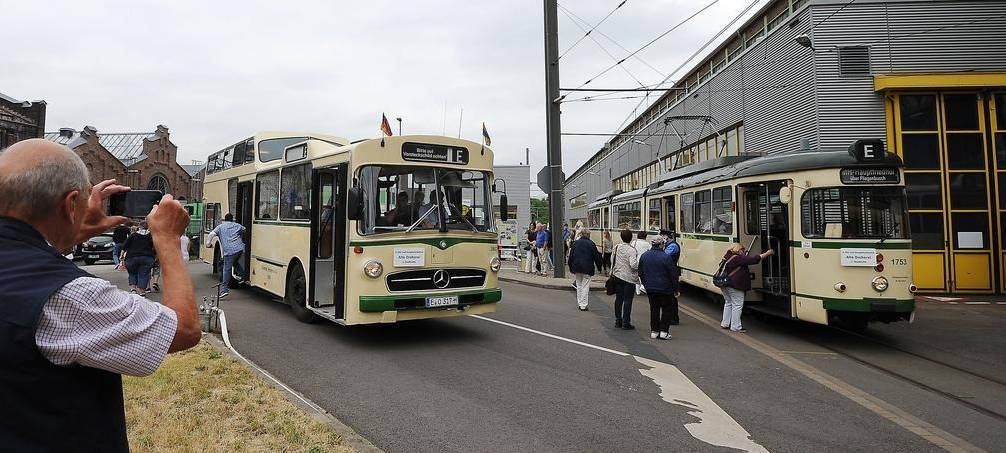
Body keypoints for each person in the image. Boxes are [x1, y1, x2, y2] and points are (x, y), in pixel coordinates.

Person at [0, 139, 199, 452]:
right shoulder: (70, 296)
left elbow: (28, 255)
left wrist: (77, 230)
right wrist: (169, 240)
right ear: (70, 204)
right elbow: (183, 330)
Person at [720, 243, 774, 332]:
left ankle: (725, 323)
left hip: (724, 284)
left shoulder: (727, 257)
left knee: (728, 303)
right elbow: (754, 260)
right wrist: (767, 253)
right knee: (737, 305)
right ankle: (736, 326)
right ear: (738, 250)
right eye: (742, 250)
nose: (743, 251)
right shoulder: (737, 258)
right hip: (734, 285)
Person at [638, 236, 679, 340]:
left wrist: (645, 284)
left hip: (650, 288)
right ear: (661, 245)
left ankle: (654, 331)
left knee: (654, 309)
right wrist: (676, 289)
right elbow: (673, 274)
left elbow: (641, 272)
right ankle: (664, 332)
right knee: (666, 309)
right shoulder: (666, 257)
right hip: (665, 288)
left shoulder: (644, 256)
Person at [208, 213, 246, 297]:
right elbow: (245, 230)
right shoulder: (237, 225)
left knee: (226, 269)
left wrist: (208, 243)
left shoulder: (220, 227)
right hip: (239, 249)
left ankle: (224, 290)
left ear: (225, 219)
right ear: (232, 219)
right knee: (235, 263)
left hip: (229, 251)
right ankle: (244, 276)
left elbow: (211, 234)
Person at [610, 229, 639, 329]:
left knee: (619, 299)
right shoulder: (632, 250)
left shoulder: (616, 247)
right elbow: (633, 265)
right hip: (628, 278)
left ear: (621, 237)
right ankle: (626, 322)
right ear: (631, 238)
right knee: (628, 300)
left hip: (617, 275)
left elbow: (612, 260)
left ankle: (618, 320)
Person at [567, 229, 602, 311]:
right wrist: (599, 267)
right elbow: (596, 257)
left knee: (579, 285)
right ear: (588, 235)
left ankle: (580, 303)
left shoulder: (575, 243)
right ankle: (583, 305)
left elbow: (571, 256)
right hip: (587, 268)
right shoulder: (591, 244)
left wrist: (570, 267)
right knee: (585, 286)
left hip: (576, 267)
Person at [121, 221, 156, 295]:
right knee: (144, 273)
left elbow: (124, 247)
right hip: (147, 257)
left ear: (139, 226)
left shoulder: (133, 235)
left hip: (132, 257)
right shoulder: (151, 236)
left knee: (132, 272)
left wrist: (121, 256)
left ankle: (133, 289)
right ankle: (142, 291)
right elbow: (155, 247)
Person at [631, 231, 650, 295]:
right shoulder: (647, 244)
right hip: (645, 262)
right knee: (643, 276)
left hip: (636, 261)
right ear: (645, 237)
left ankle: (638, 291)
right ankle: (642, 287)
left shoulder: (634, 242)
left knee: (637, 275)